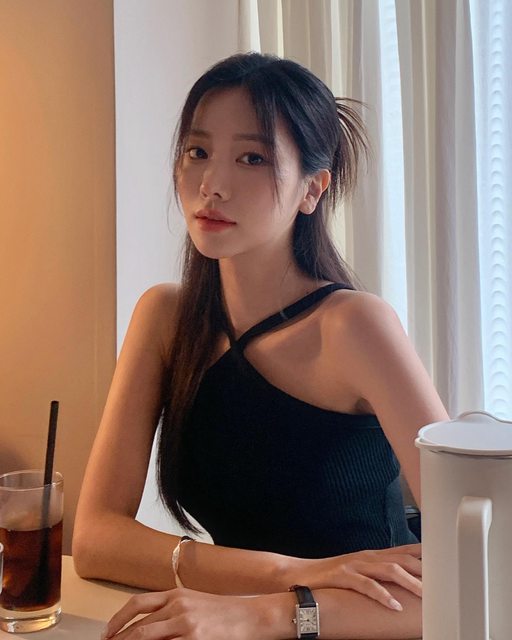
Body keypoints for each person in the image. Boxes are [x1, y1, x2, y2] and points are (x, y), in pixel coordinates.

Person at [73, 52, 449, 639]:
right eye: (197, 152)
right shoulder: (166, 319)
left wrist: (270, 610)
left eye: (253, 158)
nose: (211, 185)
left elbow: (485, 566)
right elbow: (96, 540)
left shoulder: (355, 326)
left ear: (312, 190)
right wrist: (291, 573)